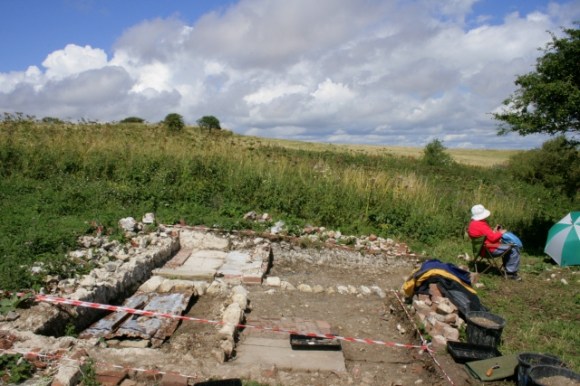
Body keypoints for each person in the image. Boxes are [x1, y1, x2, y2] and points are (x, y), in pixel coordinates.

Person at [467, 204, 521, 281]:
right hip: (489, 249)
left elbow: (486, 235)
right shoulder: (481, 225)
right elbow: (493, 238)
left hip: (480, 250)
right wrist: (501, 232)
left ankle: (508, 268)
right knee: (514, 248)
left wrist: (494, 231)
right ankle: (510, 273)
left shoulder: (472, 224)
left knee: (508, 247)